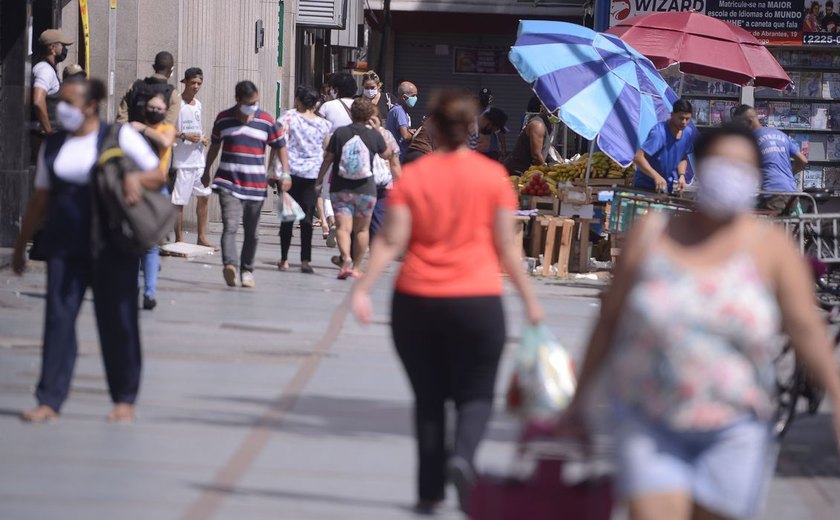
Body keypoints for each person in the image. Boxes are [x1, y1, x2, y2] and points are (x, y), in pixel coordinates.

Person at [562, 123, 840, 520]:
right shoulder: (652, 236)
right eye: (720, 165)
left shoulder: (771, 249)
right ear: (699, 169)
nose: (730, 175)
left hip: (735, 428)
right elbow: (609, 320)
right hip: (649, 420)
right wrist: (579, 402)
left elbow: (806, 330)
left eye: (742, 168)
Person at [350, 89, 544, 515]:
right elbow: (507, 248)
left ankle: (429, 492)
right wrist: (531, 302)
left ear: (432, 125)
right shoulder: (491, 177)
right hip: (477, 302)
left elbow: (393, 238)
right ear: (471, 128)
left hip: (416, 301)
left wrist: (362, 287)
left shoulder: (417, 175)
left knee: (429, 397)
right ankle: (464, 457)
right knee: (476, 395)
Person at [12, 78, 163, 423]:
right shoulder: (54, 145)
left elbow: (157, 175)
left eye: (67, 102)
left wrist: (135, 179)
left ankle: (124, 398)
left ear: (90, 105)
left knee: (118, 321)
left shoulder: (118, 137)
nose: (59, 109)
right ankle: (49, 398)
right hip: (65, 243)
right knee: (58, 320)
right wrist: (21, 244)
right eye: (58, 101)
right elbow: (40, 198)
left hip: (113, 244)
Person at [204, 80, 290, 288]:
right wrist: (206, 170)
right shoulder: (223, 119)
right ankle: (230, 266)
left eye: (256, 102)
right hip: (228, 182)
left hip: (255, 185)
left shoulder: (266, 120)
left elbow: (280, 146)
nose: (253, 106)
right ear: (238, 100)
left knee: (253, 232)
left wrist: (285, 173)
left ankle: (247, 270)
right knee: (230, 226)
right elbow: (215, 146)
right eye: (249, 103)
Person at [316, 97, 390, 279]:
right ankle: (356, 267)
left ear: (351, 113)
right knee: (362, 230)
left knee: (343, 228)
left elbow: (328, 158)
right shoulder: (373, 135)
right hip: (366, 189)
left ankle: (346, 258)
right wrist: (377, 132)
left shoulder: (340, 134)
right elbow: (387, 154)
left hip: (341, 188)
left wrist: (319, 180)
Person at [278, 85, 332, 273]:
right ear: (317, 104)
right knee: (307, 220)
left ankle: (284, 259)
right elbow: (326, 150)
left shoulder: (288, 118)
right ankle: (305, 261)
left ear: (298, 101)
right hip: (312, 176)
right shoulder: (324, 124)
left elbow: (280, 144)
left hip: (290, 174)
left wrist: (277, 171)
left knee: (287, 219)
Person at [133, 93, 177, 310]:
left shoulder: (165, 129)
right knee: (133, 244)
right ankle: (133, 289)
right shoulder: (130, 130)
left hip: (157, 191)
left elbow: (165, 141)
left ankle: (149, 292)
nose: (156, 111)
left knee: (150, 246)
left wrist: (140, 129)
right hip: (135, 189)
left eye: (160, 109)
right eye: (152, 107)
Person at [733, 104, 808, 214]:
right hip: (791, 192)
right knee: (789, 227)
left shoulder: (750, 139)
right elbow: (803, 161)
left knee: (765, 227)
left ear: (748, 122)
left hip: (771, 193)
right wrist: (789, 175)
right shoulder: (780, 134)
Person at [316, 72, 359, 248]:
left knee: (327, 191)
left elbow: (319, 131)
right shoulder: (360, 105)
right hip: (357, 155)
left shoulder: (327, 106)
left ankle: (332, 221)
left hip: (332, 153)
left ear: (335, 90)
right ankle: (348, 226)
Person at [171, 67, 213, 246]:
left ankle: (201, 236)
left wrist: (203, 139)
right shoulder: (176, 104)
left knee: (204, 196)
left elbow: (198, 127)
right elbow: (166, 128)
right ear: (185, 82)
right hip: (182, 161)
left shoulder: (199, 104)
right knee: (179, 200)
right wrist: (184, 136)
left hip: (198, 158)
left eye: (199, 83)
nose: (196, 86)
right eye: (193, 83)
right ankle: (179, 237)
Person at [633, 98, 697, 194]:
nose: (684, 122)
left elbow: (683, 156)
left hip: (666, 187)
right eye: (681, 118)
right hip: (645, 187)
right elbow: (638, 157)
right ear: (672, 115)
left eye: (687, 119)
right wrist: (655, 176)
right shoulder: (659, 133)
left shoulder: (687, 133)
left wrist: (682, 175)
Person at [31, 29, 74, 161]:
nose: (65, 50)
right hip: (43, 140)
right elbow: (38, 101)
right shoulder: (45, 70)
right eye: (63, 46)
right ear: (52, 48)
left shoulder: (48, 69)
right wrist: (48, 131)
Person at [116, 51, 181, 125]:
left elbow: (121, 120)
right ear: (172, 70)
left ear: (153, 66)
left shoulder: (133, 87)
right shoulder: (174, 95)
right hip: (156, 136)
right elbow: (166, 126)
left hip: (132, 134)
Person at [369, 106, 402, 241]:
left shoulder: (386, 135)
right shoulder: (385, 135)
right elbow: (394, 162)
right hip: (375, 182)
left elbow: (394, 162)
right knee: (374, 220)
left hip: (373, 182)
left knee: (371, 220)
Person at [503, 96, 551, 176]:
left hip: (527, 171)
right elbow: (536, 155)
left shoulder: (549, 124)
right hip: (516, 172)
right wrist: (546, 172)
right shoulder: (537, 125)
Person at [387, 81, 419, 161]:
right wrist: (416, 134)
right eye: (413, 96)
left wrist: (409, 131)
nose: (415, 98)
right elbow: (405, 136)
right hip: (400, 157)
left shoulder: (396, 110)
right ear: (404, 97)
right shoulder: (399, 111)